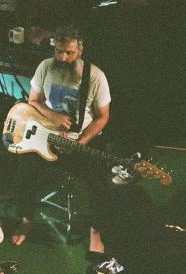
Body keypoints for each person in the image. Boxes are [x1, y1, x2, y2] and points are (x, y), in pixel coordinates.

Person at [11, 24, 112, 247]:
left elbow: (103, 116)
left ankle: (96, 229)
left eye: (69, 53)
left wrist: (81, 142)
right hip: (47, 137)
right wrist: (53, 116)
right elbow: (33, 101)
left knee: (99, 181)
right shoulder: (45, 67)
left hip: (80, 140)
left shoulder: (95, 77)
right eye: (59, 51)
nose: (63, 58)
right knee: (24, 173)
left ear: (80, 50)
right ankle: (26, 220)